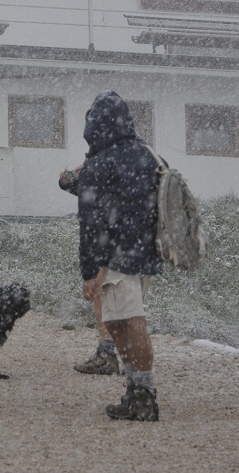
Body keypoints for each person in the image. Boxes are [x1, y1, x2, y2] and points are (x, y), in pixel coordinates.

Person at [75, 90, 163, 421]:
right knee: (119, 322)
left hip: (117, 256)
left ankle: (144, 396)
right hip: (145, 254)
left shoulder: (99, 163)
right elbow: (135, 198)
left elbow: (92, 222)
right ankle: (137, 391)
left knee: (129, 322)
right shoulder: (147, 155)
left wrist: (90, 270)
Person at [59, 161, 121, 376]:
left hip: (113, 241)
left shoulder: (105, 164)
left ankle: (108, 354)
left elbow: (93, 212)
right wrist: (68, 182)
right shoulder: (128, 159)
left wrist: (91, 271)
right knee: (119, 300)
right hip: (134, 242)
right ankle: (128, 359)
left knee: (103, 294)